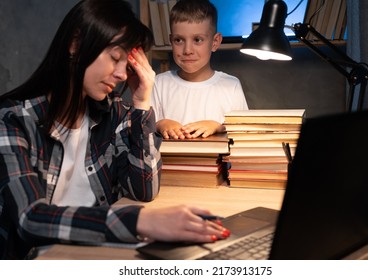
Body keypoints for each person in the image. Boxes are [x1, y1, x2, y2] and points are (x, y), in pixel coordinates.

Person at [0, 0, 230, 260]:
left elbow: (144, 190)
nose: (122, 74)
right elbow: (30, 219)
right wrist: (139, 221)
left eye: (128, 64)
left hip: (102, 253)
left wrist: (142, 102)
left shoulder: (112, 112)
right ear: (76, 44)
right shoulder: (13, 119)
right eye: (115, 58)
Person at [151, 0, 249, 140]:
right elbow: (141, 130)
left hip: (216, 161)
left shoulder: (231, 85)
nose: (187, 50)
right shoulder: (158, 83)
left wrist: (219, 126)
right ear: (171, 41)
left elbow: (244, 131)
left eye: (197, 40)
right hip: (168, 161)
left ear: (215, 42)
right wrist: (160, 123)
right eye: (179, 40)